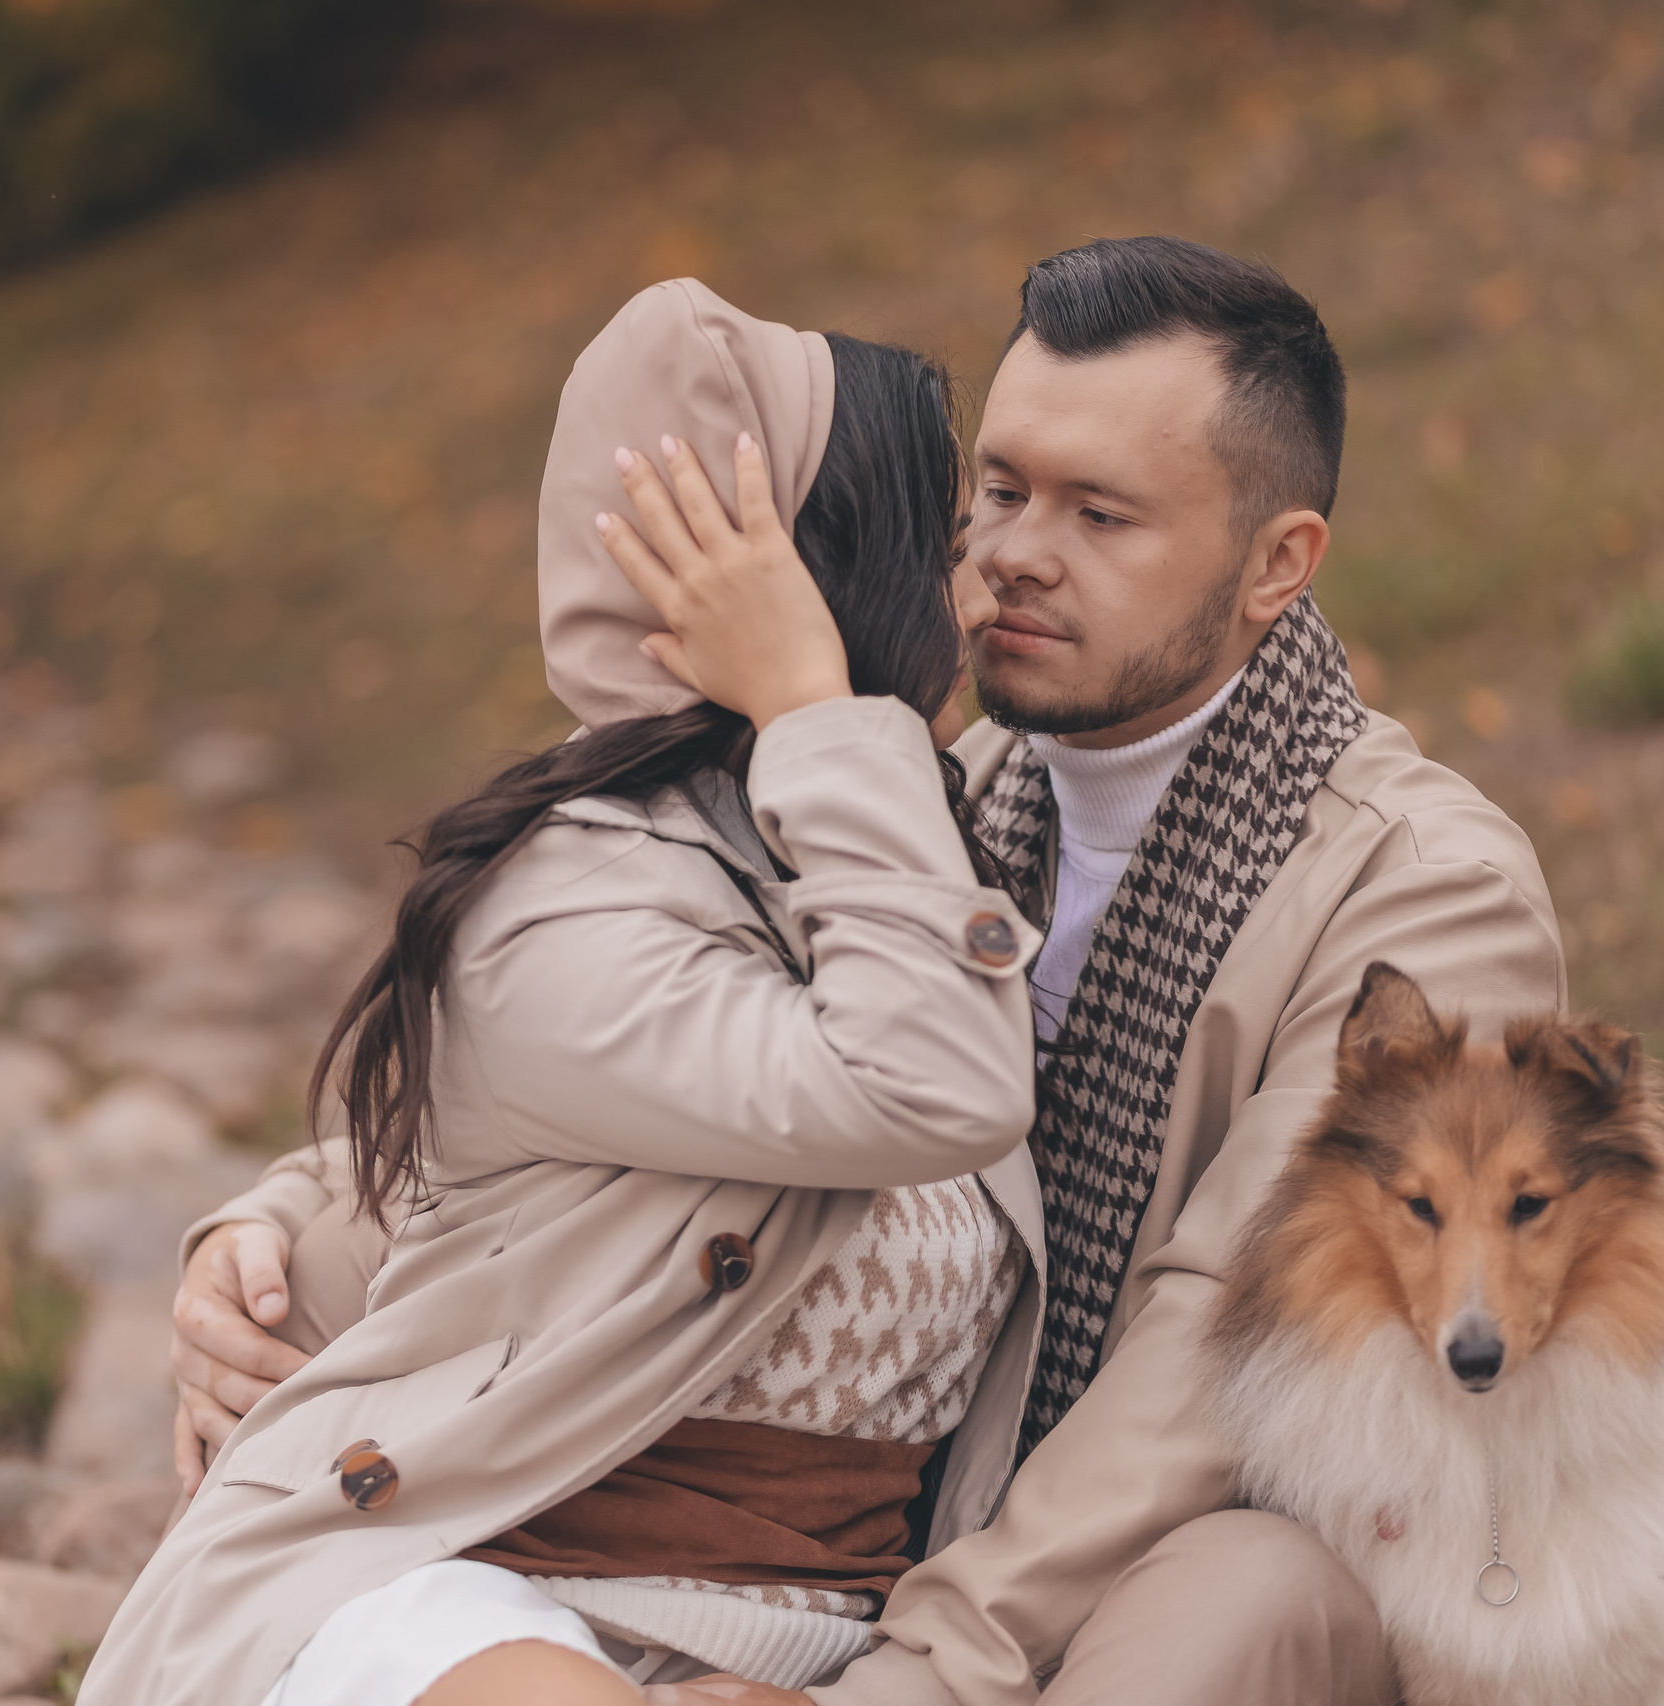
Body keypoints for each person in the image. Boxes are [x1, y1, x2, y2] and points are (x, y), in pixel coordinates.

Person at [169, 236, 1569, 1705]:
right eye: (1004, 492)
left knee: (1258, 1579)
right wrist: (267, 1227)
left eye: (1103, 514)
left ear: (1276, 561)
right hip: (871, 1561)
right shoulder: (933, 799)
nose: (1019, 552)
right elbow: (649, 1068)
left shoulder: (1427, 891)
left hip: (1110, 1571)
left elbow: (1237, 1338)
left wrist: (922, 1666)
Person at [79, 277, 1055, 1706]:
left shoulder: (880, 842)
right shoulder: (572, 898)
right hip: (471, 1599)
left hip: (806, 1646)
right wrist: (814, 704)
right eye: (939, 548)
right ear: (806, 585)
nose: (972, 596)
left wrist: (277, 1211)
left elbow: (534, 1185)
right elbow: (936, 1083)